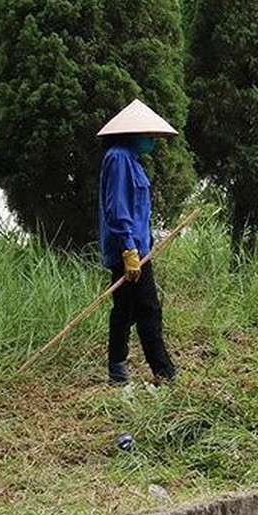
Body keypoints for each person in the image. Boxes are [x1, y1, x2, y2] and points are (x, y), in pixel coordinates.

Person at [97, 99, 178, 385]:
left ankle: (118, 372)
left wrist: (148, 242)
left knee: (126, 309)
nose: (151, 141)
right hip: (128, 251)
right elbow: (117, 209)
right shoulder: (118, 158)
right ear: (132, 133)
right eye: (148, 136)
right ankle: (163, 372)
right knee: (147, 309)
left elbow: (139, 210)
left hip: (139, 249)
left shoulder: (132, 160)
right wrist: (129, 249)